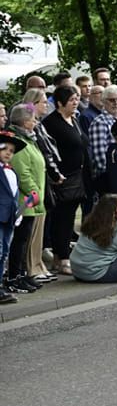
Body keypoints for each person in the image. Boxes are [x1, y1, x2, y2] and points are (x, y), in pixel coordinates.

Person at [42, 86, 87, 273]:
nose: (76, 102)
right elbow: (49, 151)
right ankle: (61, 258)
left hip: (78, 177)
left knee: (69, 220)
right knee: (61, 219)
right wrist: (56, 174)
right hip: (62, 179)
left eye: (77, 99)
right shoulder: (51, 123)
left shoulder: (74, 119)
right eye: (71, 100)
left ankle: (63, 255)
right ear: (60, 103)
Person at [8, 105, 49, 289]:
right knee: (19, 241)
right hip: (25, 201)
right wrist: (34, 192)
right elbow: (22, 172)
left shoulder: (29, 140)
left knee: (24, 241)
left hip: (32, 200)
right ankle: (14, 276)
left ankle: (23, 274)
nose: (36, 122)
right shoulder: (19, 142)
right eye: (33, 120)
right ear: (25, 122)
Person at [0, 131, 29, 303]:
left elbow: (14, 195)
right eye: (4, 148)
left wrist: (19, 210)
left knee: (4, 253)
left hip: (9, 217)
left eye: (11, 150)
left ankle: (1, 287)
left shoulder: (12, 171)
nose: (8, 152)